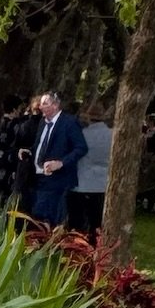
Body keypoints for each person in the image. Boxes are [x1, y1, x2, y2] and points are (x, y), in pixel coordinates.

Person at [27, 90, 88, 227]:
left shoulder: (69, 123)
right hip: (39, 177)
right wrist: (29, 152)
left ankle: (51, 244)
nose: (40, 107)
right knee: (37, 217)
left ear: (55, 106)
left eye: (44, 104)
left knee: (51, 219)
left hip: (58, 180)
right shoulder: (42, 122)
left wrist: (61, 163)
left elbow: (81, 148)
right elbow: (41, 145)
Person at [69, 107, 113, 241]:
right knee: (97, 222)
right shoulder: (112, 135)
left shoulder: (82, 134)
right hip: (102, 184)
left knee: (78, 223)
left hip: (82, 183)